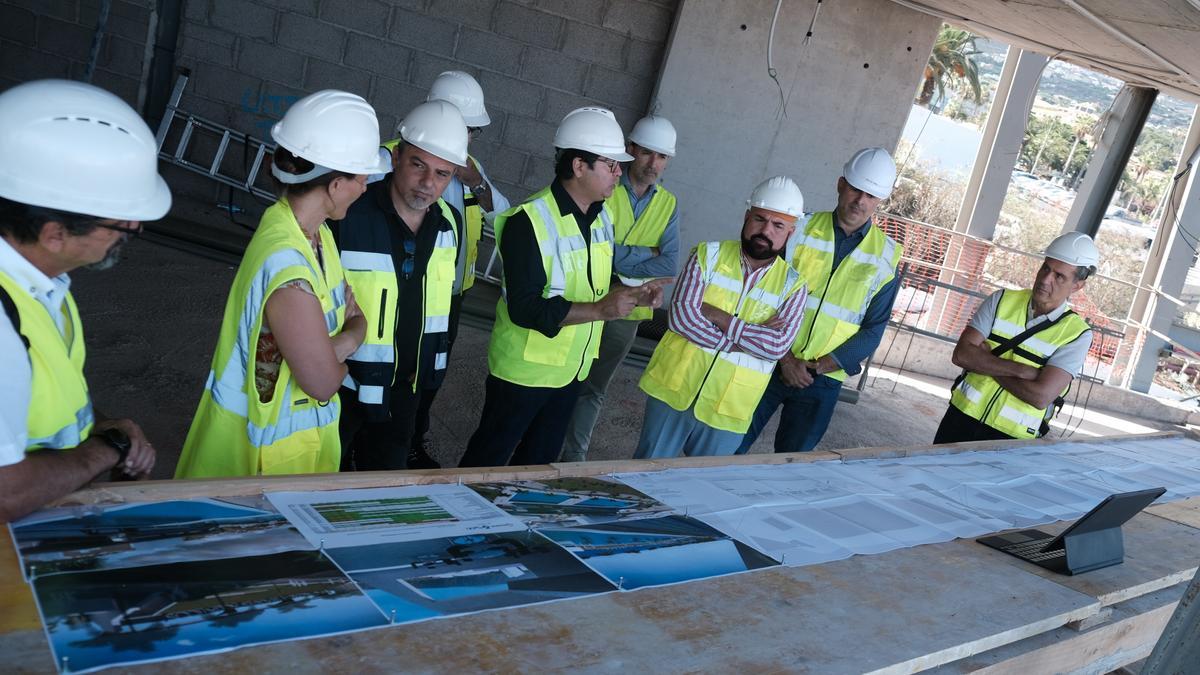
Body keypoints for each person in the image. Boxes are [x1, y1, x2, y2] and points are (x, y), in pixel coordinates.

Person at [175, 90, 389, 478]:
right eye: (361, 177)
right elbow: (323, 381)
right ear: (336, 184)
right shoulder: (289, 273)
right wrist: (351, 338)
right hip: (257, 461)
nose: (365, 187)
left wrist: (333, 347)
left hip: (292, 452)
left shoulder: (312, 234)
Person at [458, 107, 666, 468]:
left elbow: (589, 282)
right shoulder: (530, 221)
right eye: (610, 164)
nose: (620, 173)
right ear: (578, 166)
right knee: (486, 464)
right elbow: (526, 308)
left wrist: (630, 294)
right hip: (524, 373)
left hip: (571, 371)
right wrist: (602, 311)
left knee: (538, 467)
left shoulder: (602, 216)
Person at [0, 79, 168, 521]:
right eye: (122, 225)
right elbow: (4, 494)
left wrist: (101, 426)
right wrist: (104, 451)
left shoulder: (41, 283)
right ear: (53, 234)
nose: (133, 231)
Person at [738, 147, 902, 454]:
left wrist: (817, 367)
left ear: (880, 200)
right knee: (730, 447)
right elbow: (762, 292)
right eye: (855, 189)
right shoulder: (797, 229)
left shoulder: (888, 257)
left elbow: (873, 329)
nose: (860, 201)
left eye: (871, 195)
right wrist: (785, 359)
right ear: (841, 184)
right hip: (768, 359)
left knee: (793, 465)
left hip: (823, 380)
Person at [335, 100, 467, 471]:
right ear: (396, 158)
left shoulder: (450, 223)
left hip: (404, 389)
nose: (428, 183)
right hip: (342, 384)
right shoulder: (348, 215)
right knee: (322, 485)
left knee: (382, 493)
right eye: (418, 165)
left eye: (442, 174)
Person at [634, 177, 808, 459]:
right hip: (672, 390)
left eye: (778, 225)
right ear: (746, 216)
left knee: (701, 493)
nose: (766, 230)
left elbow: (776, 347)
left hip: (729, 408)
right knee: (642, 476)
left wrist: (718, 316)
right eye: (760, 219)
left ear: (790, 232)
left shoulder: (793, 286)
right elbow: (681, 318)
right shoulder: (708, 255)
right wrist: (745, 340)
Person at [560, 115, 681, 463]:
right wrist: (646, 254)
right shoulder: (605, 185)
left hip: (630, 309)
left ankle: (573, 456)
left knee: (595, 387)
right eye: (646, 153)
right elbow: (595, 249)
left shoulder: (668, 204)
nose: (653, 163)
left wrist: (620, 254)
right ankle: (543, 445)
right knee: (564, 377)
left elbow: (669, 263)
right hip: (588, 296)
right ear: (631, 150)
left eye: (661, 156)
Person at [407, 71, 511, 469]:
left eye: (472, 131)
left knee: (431, 376)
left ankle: (413, 443)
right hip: (403, 292)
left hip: (450, 297)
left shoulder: (468, 170)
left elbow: (505, 216)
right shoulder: (393, 158)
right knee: (392, 374)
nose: (467, 139)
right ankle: (366, 448)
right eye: (464, 128)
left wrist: (476, 181)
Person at [934, 232, 1097, 443]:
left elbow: (1040, 397)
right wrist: (1020, 371)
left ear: (1077, 285)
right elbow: (962, 355)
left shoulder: (1077, 335)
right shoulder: (1001, 300)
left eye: (1059, 276)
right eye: (1046, 268)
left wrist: (985, 361)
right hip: (959, 419)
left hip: (1011, 440)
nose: (1046, 280)